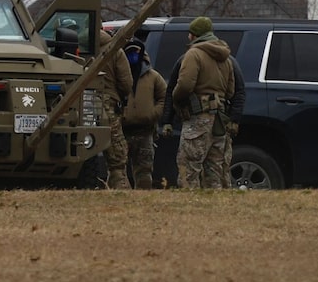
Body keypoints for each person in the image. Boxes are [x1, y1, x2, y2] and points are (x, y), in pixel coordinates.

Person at [171, 16, 235, 189]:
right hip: (220, 120)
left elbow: (185, 85)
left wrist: (175, 97)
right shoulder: (226, 58)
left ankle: (189, 210)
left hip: (199, 118)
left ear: (194, 35)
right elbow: (230, 91)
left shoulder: (194, 54)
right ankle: (215, 212)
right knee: (215, 170)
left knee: (189, 169)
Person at [121, 39, 167, 189]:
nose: (133, 55)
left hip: (145, 131)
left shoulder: (153, 76)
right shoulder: (119, 75)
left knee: (144, 170)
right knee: (118, 169)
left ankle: (143, 198)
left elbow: (164, 97)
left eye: (136, 52)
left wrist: (154, 113)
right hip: (122, 131)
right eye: (130, 52)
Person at [98, 30, 134, 189]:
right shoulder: (115, 50)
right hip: (108, 102)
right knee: (116, 151)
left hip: (79, 101)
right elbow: (126, 83)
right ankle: (119, 187)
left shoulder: (77, 46)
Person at [222, 55, 246, 188]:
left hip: (196, 120)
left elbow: (179, 88)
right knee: (220, 164)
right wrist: (234, 119)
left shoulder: (190, 57)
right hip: (223, 117)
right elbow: (239, 91)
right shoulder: (229, 60)